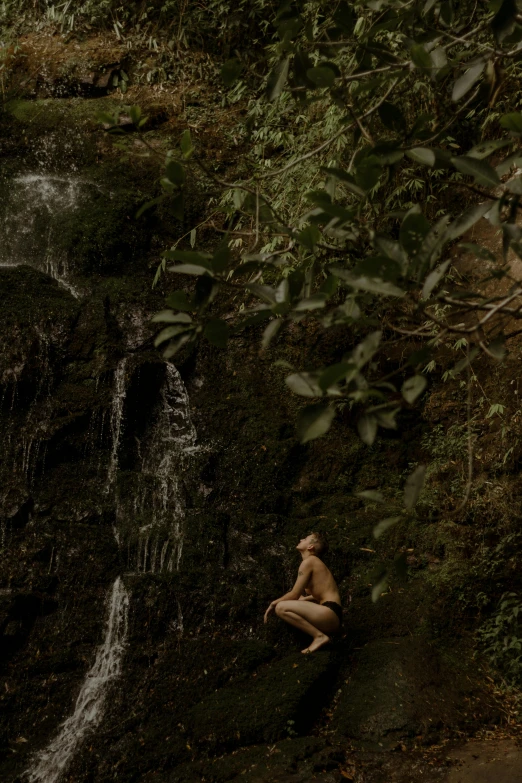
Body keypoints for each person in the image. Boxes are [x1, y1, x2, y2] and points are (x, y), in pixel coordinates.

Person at [264, 532, 343, 653]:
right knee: (293, 601)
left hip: (330, 613)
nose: (301, 539)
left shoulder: (309, 562)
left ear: (310, 547)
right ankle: (319, 636)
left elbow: (294, 594)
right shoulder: (313, 562)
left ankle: (319, 636)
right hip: (331, 615)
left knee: (280, 607)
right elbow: (322, 592)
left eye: (306, 539)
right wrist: (305, 599)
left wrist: (273, 603)